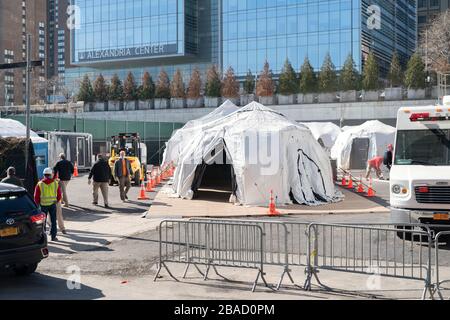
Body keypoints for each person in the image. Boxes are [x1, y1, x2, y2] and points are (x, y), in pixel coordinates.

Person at [34, 168, 62, 241]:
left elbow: (36, 197)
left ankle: (43, 237)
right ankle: (53, 236)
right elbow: (59, 195)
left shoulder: (39, 184)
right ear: (50, 175)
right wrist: (56, 201)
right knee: (53, 220)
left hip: (43, 205)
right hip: (52, 204)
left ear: (44, 175)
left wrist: (37, 205)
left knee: (42, 222)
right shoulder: (55, 183)